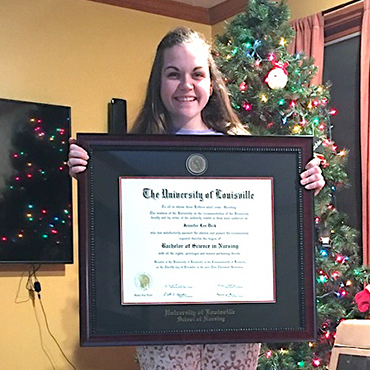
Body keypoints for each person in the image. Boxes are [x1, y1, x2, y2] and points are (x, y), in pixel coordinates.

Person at [68, 27, 325, 370]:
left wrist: (305, 182)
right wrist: (89, 173)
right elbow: (113, 235)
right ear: (158, 83)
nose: (186, 85)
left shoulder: (244, 148)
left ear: (211, 83)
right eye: (173, 74)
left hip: (237, 321)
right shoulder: (127, 156)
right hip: (160, 321)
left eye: (197, 74)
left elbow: (274, 222)